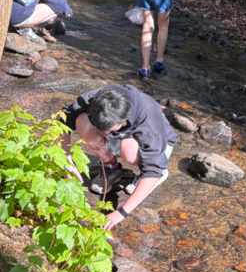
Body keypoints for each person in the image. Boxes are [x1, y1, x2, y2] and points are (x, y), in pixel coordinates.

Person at [60, 84, 179, 231]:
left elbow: (152, 170)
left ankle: (160, 173)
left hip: (159, 144)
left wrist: (121, 213)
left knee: (128, 149)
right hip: (121, 135)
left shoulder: (149, 123)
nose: (104, 133)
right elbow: (62, 122)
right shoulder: (95, 99)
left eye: (109, 129)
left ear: (123, 120)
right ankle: (112, 167)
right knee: (82, 121)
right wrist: (68, 165)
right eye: (102, 129)